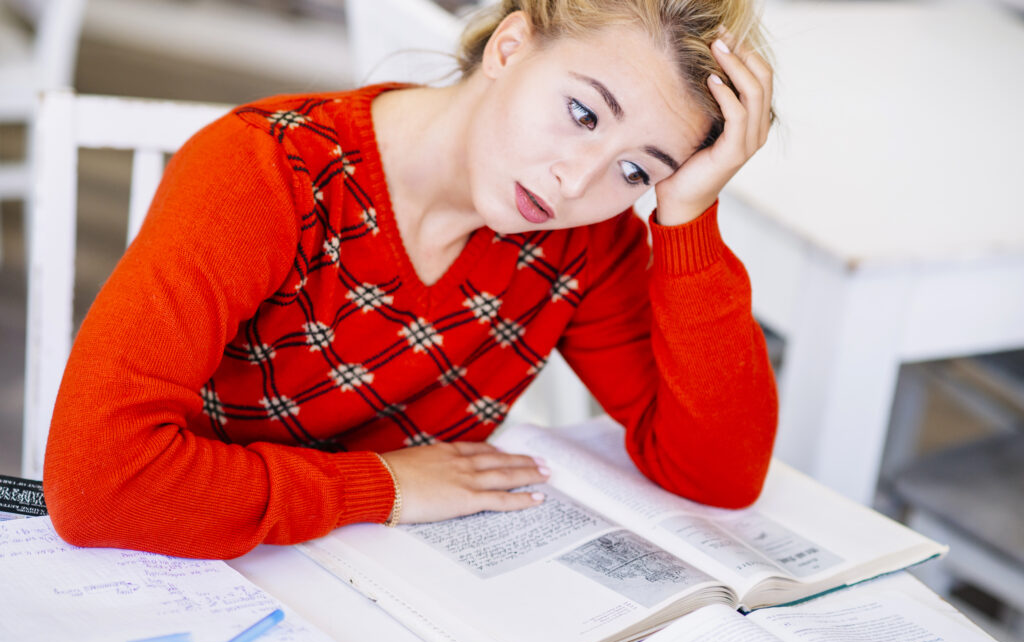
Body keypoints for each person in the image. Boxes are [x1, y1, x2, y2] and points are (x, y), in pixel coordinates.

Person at [43, 0, 778, 559]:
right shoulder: (266, 176)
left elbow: (717, 474)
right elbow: (98, 484)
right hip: (193, 568)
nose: (578, 179)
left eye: (634, 169)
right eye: (582, 112)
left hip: (385, 591)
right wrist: (384, 485)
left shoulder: (583, 238)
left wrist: (688, 220)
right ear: (510, 46)